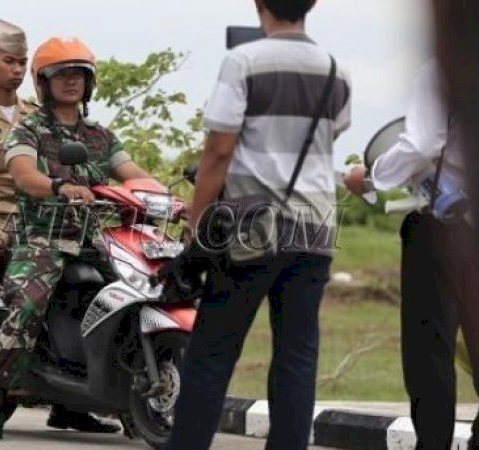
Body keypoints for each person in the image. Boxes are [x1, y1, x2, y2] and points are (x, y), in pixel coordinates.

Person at [164, 1, 352, 448]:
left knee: (212, 351)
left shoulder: (243, 60)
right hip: (315, 230)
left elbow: (218, 152)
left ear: (259, 4)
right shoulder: (336, 70)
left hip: (253, 231)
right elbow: (333, 135)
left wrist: (197, 228)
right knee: (297, 356)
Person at [0, 19, 119, 437]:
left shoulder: (37, 115)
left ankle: (69, 400)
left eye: (22, 62)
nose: (16, 69)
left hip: (41, 217)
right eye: (8, 61)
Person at [0, 36, 154, 442]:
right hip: (42, 240)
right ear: (44, 82)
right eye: (62, 74)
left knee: (135, 297)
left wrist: (174, 199)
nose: (72, 81)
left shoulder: (101, 136)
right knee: (27, 309)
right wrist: (58, 186)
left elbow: (133, 174)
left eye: (80, 74)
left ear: (90, 83)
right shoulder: (29, 129)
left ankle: (115, 397)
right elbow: (23, 175)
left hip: (94, 240)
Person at [345, 60, 479, 449]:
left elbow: (422, 143)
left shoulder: (444, 65)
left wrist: (369, 176)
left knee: (430, 349)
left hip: (449, 227)